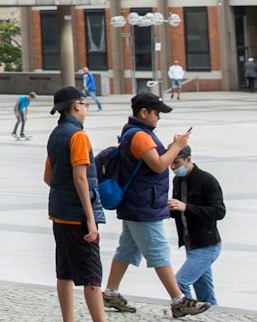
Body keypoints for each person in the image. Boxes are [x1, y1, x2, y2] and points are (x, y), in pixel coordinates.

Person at [100, 93, 207, 317]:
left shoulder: (136, 133)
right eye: (157, 113)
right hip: (144, 205)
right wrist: (177, 146)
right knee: (159, 252)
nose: (159, 118)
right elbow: (158, 165)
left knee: (126, 250)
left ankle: (110, 292)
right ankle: (178, 300)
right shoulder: (140, 136)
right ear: (144, 112)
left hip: (137, 202)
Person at [45, 86, 108, 322]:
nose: (85, 108)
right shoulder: (78, 136)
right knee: (92, 276)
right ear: (76, 105)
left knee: (65, 271)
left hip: (59, 213)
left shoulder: (56, 134)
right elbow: (80, 177)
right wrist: (91, 219)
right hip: (78, 216)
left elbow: (48, 177)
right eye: (85, 104)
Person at [169, 146, 224, 306]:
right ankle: (213, 315)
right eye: (170, 164)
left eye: (176, 163)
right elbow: (178, 210)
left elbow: (219, 211)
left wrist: (186, 207)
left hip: (207, 245)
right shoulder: (177, 180)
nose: (173, 167)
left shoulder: (207, 180)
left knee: (179, 283)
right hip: (191, 244)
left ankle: (187, 310)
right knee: (205, 293)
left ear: (189, 159)